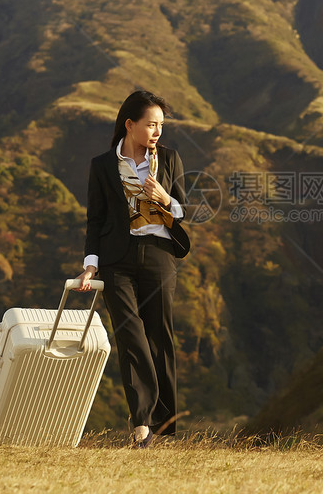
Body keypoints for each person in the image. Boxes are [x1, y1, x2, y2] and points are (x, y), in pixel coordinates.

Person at [75, 89, 191, 448]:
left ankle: (165, 428)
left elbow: (184, 210)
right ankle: (142, 424)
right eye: (150, 124)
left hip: (159, 254)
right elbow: (95, 220)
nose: (157, 131)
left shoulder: (170, 159)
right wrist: (90, 266)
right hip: (116, 261)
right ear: (130, 124)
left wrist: (163, 198)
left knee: (160, 339)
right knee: (131, 338)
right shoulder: (103, 165)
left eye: (160, 125)